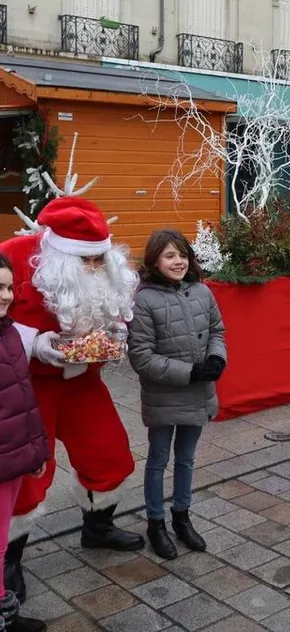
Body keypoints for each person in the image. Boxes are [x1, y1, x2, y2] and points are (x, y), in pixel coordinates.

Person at [0, 196, 145, 604]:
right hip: (30, 386)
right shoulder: (14, 256)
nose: (95, 269)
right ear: (61, 253)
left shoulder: (105, 268)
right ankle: (8, 559)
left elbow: (114, 310)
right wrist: (35, 343)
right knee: (28, 471)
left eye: (100, 260)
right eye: (87, 262)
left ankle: (97, 529)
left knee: (109, 453)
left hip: (83, 382)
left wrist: (116, 335)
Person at [127, 229, 226, 559]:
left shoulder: (202, 292)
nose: (178, 261)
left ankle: (181, 517)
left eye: (182, 254)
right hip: (164, 396)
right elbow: (141, 356)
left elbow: (217, 331)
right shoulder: (144, 300)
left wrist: (216, 357)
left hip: (199, 394)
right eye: (169, 255)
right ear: (155, 260)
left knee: (186, 458)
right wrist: (189, 372)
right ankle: (156, 522)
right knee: (158, 460)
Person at [0, 254, 49, 632]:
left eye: (6, 287)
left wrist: (36, 451)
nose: (3, 296)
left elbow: (23, 400)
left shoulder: (10, 332)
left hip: (14, 455)